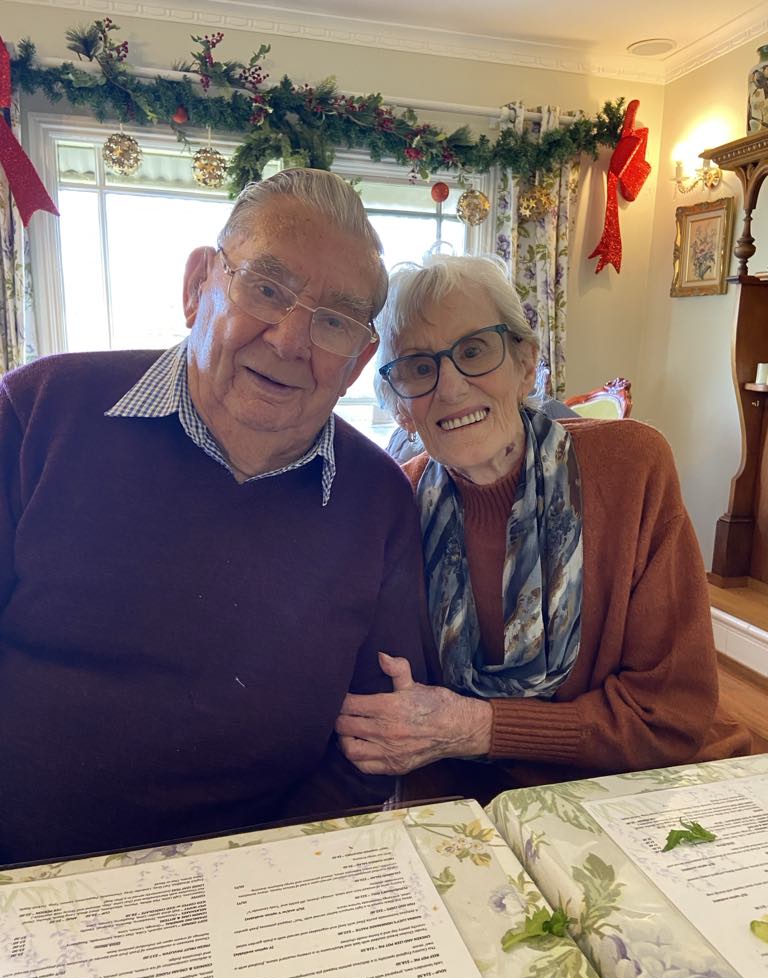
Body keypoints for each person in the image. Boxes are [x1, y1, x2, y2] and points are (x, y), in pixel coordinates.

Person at [0, 169, 432, 866]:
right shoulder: (37, 413)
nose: (290, 340)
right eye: (267, 289)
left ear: (357, 363)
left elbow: (372, 737)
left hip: (264, 875)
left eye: (333, 322)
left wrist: (265, 871)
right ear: (198, 285)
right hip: (25, 877)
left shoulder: (379, 499)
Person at [335, 255, 750, 803]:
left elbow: (670, 715)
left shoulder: (631, 468)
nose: (451, 388)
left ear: (526, 364)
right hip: (479, 800)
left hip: (641, 787)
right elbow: (395, 717)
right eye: (418, 367)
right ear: (401, 408)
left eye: (474, 351)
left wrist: (479, 728)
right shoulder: (396, 504)